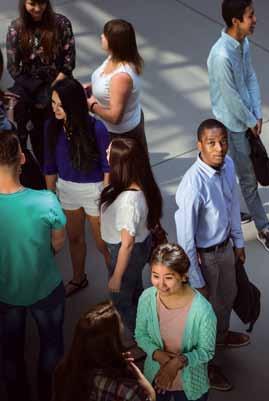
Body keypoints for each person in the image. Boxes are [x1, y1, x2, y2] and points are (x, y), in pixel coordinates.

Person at [175, 119, 250, 391]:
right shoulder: (192, 186)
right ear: (199, 145)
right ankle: (204, 366)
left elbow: (231, 205)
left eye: (223, 141)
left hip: (225, 248)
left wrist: (238, 242)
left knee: (227, 298)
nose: (219, 148)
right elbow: (185, 239)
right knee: (203, 316)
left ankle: (221, 336)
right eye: (211, 143)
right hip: (204, 259)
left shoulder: (227, 165)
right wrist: (196, 279)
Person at [0, 131, 66, 401]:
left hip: (5, 294)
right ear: (23, 159)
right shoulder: (46, 201)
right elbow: (58, 244)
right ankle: (47, 394)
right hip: (45, 288)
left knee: (10, 353)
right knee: (51, 346)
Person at [207, 0, 269, 250]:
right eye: (250, 15)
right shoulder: (222, 56)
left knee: (235, 172)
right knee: (247, 178)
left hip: (246, 120)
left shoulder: (242, 43)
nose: (255, 19)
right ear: (236, 21)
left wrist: (256, 114)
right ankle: (264, 227)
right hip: (233, 126)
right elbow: (230, 97)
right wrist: (248, 121)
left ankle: (230, 211)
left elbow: (250, 76)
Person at [44, 77, 110, 297]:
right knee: (74, 238)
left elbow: (107, 166)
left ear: (73, 104)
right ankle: (78, 278)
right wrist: (50, 197)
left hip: (95, 190)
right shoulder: (51, 127)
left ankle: (117, 280)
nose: (55, 109)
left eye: (60, 105)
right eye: (53, 103)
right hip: (67, 190)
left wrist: (106, 196)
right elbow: (49, 165)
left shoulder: (96, 128)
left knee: (103, 243)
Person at [135, 243, 216, 401]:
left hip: (190, 387)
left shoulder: (203, 310)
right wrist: (161, 357)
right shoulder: (147, 298)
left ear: (184, 275)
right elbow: (140, 334)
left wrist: (178, 362)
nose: (161, 285)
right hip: (155, 378)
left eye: (169, 278)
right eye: (155, 276)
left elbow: (207, 351)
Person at [100, 137, 162, 333]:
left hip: (125, 252)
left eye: (110, 153)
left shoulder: (128, 202)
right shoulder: (136, 184)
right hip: (138, 247)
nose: (106, 153)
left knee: (121, 301)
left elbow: (127, 244)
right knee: (135, 291)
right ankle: (149, 328)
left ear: (121, 165)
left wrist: (117, 277)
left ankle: (143, 341)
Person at [6, 0, 75, 168]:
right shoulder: (16, 28)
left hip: (58, 84)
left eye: (42, 3)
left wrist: (52, 90)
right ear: (24, 3)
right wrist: (37, 89)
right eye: (32, 4)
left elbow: (69, 63)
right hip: (30, 87)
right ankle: (34, 171)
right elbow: (13, 68)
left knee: (59, 132)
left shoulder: (61, 23)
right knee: (33, 132)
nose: (38, 9)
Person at [52, 300, 156, 401]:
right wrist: (150, 392)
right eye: (120, 329)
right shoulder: (128, 391)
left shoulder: (64, 371)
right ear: (112, 344)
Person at [87, 19, 148, 153]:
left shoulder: (122, 77)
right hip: (110, 130)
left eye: (105, 35)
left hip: (118, 135)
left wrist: (91, 105)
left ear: (115, 42)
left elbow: (115, 117)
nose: (101, 36)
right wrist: (90, 87)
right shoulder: (113, 57)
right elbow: (106, 83)